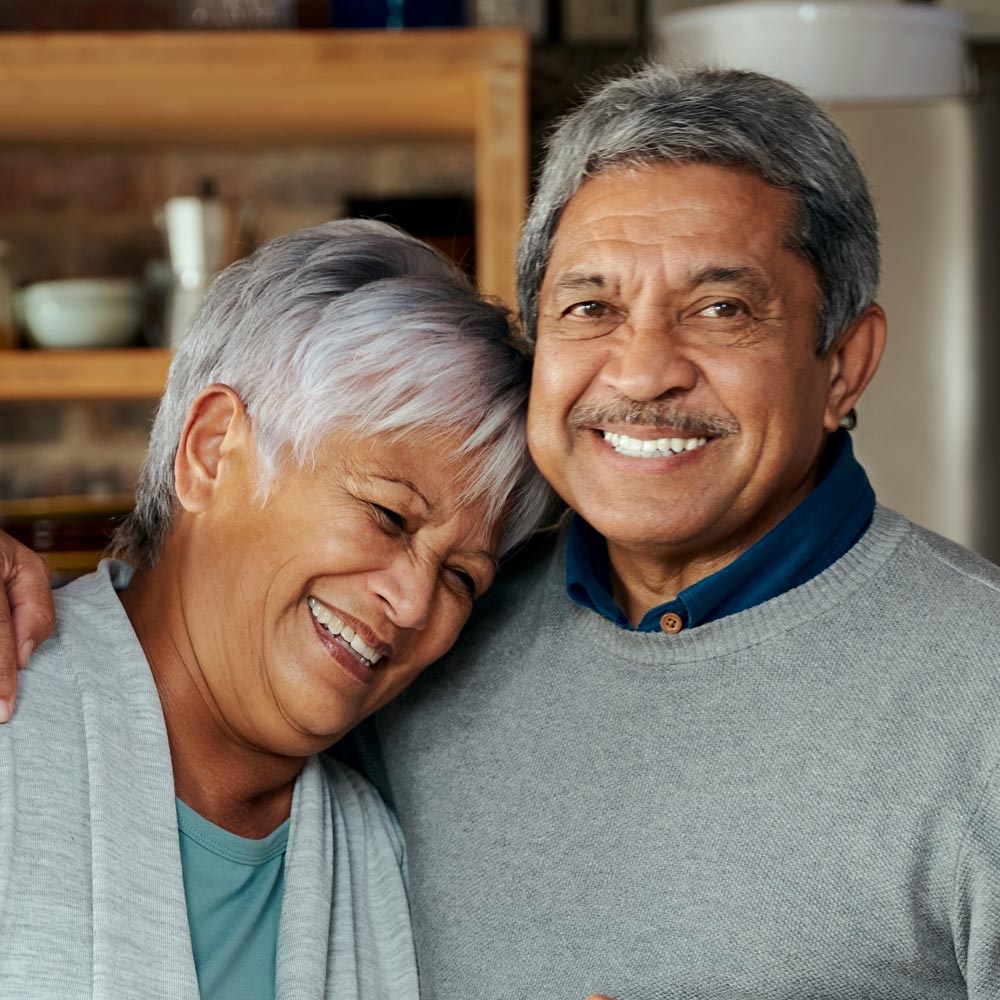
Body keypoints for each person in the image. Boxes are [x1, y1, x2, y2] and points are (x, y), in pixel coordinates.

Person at [4, 65, 1000, 999]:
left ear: (845, 364)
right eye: (588, 305)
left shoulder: (977, 689)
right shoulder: (427, 669)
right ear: (213, 448)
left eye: (722, 306)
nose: (642, 370)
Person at [0, 219, 552, 998]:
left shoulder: (377, 855)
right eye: (388, 516)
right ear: (213, 450)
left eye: (462, 577)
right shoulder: (12, 720)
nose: (412, 601)